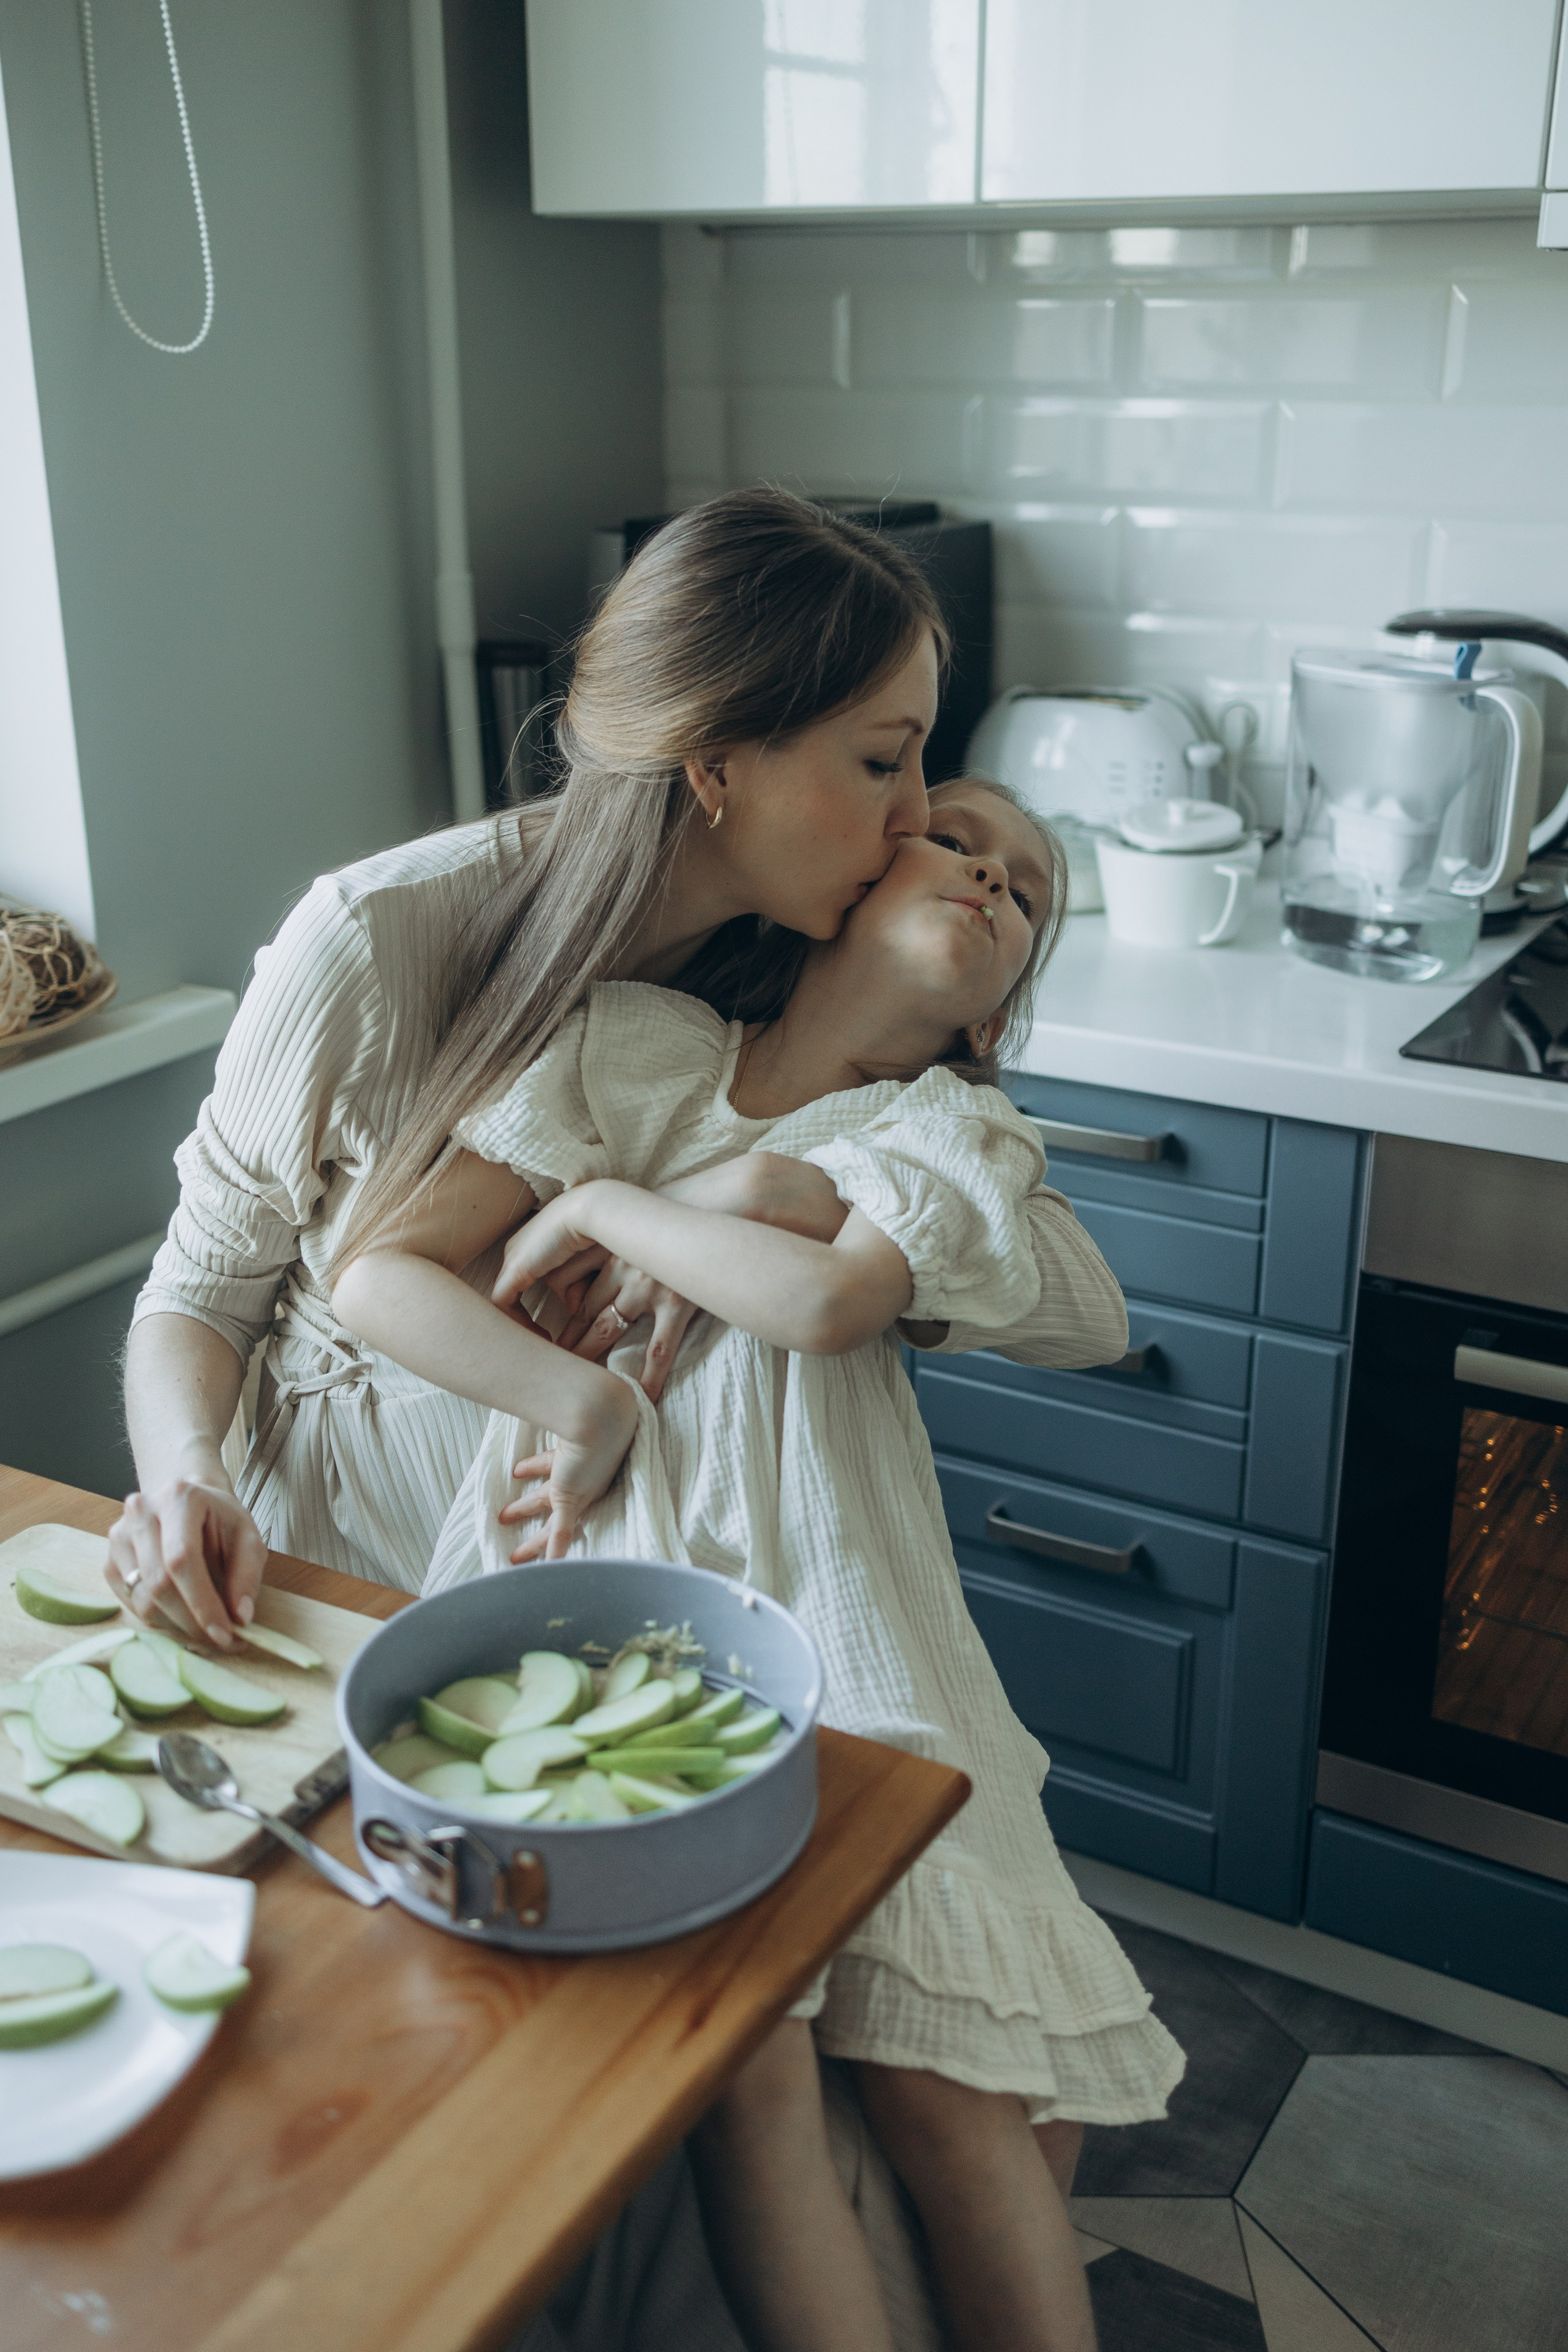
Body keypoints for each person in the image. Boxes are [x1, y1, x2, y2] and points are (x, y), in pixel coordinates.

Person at [331, 777, 1185, 2352]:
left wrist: (607, 1203)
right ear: (847, 878)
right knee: (747, 2079)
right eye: (958, 837)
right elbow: (378, 1269)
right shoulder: (627, 1046)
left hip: (845, 1631)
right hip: (590, 1600)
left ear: (994, 1025)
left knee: (950, 2104)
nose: (991, 881)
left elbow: (825, 1310)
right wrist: (572, 1393)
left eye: (1027, 894)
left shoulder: (945, 1127)